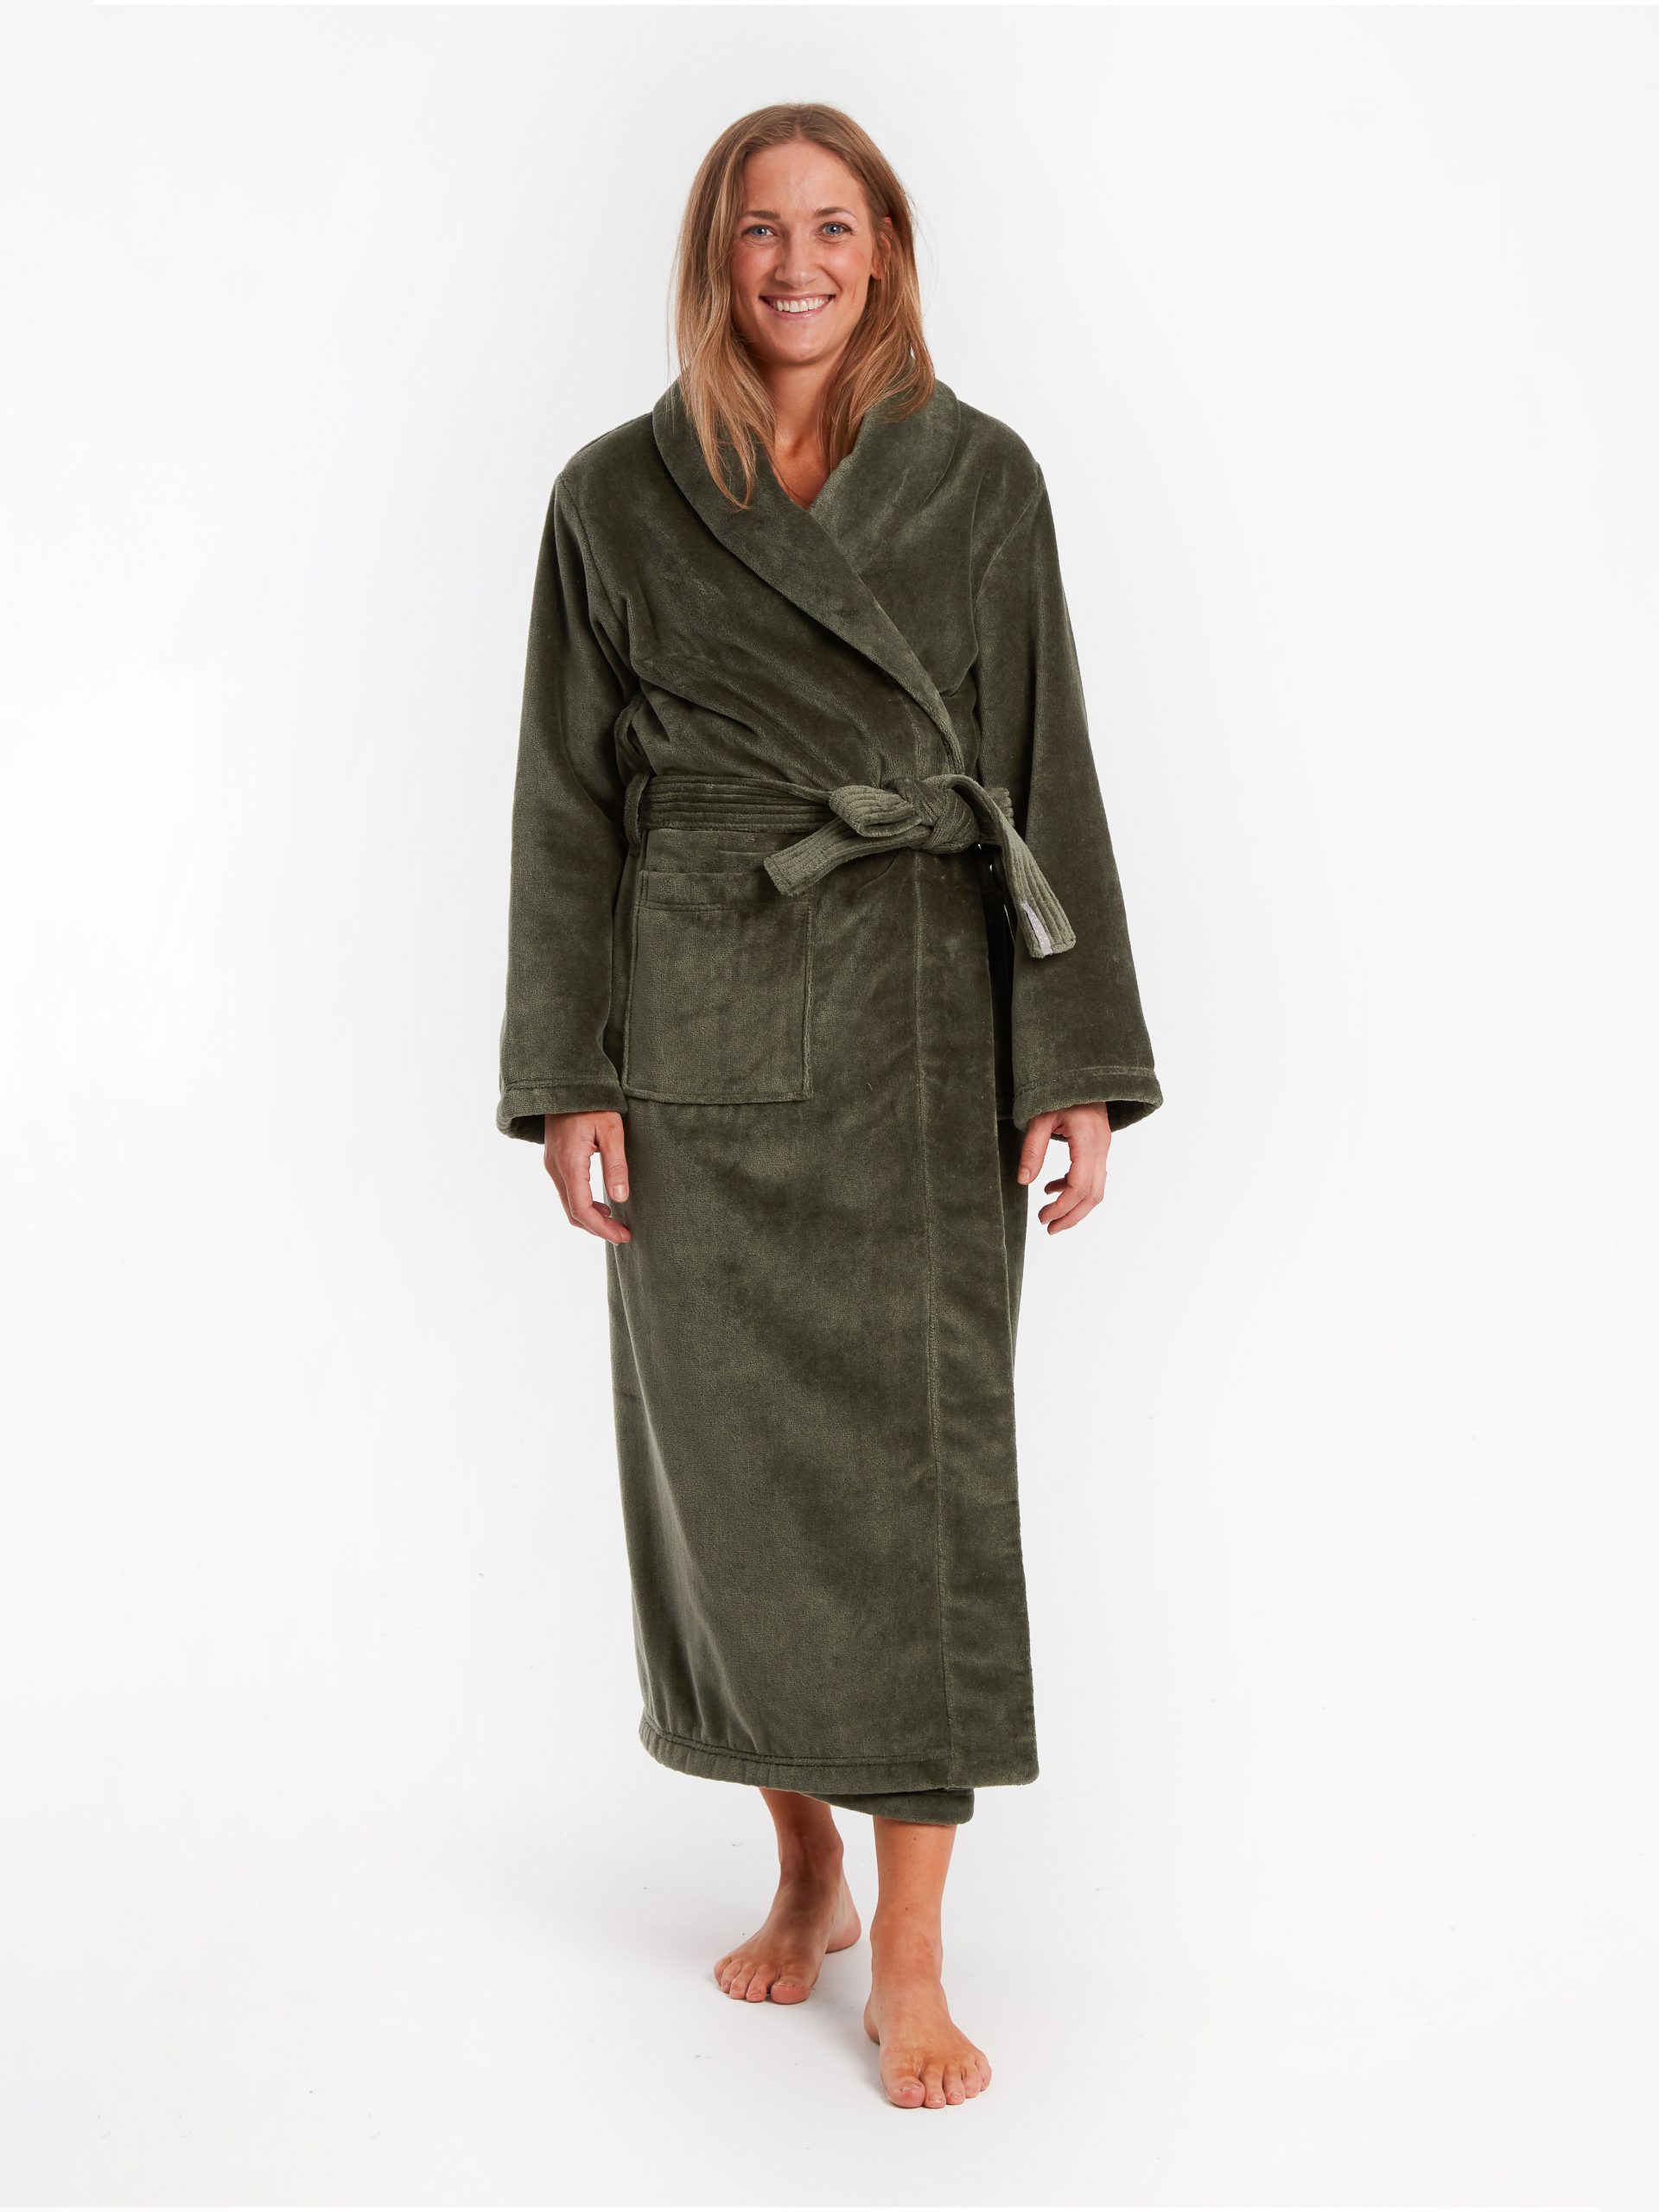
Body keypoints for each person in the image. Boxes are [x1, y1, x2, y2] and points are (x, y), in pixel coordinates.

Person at [496, 103, 1162, 2109]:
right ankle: (804, 1866)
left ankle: (922, 1950)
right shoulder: (616, 495)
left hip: (922, 1032)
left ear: (886, 249)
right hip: (697, 1030)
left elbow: (1043, 766)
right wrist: (569, 1074)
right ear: (715, 255)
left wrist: (1073, 1060)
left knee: (918, 1483)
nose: (798, 263)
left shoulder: (981, 477)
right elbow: (565, 808)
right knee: (732, 1486)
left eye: (835, 226)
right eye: (760, 228)